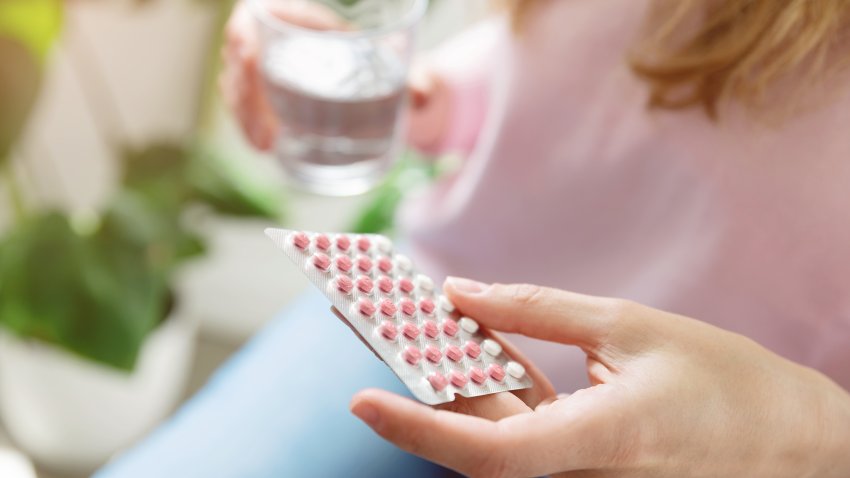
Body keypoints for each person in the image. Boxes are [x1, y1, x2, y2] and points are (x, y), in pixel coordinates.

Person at [97, 0, 850, 476]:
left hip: (730, 455)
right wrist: (417, 98)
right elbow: (579, 56)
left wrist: (809, 432)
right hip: (436, 325)